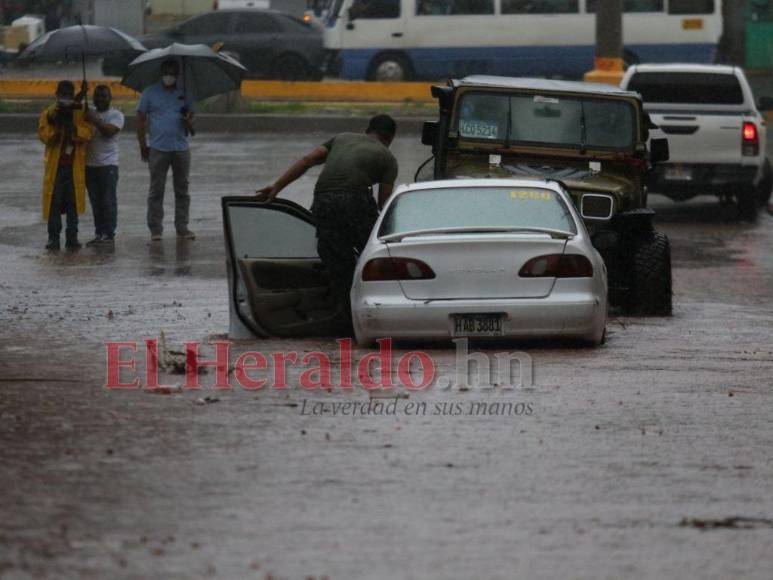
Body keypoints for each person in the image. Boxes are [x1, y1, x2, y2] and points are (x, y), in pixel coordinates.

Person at [255, 114, 398, 312]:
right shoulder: (388, 158)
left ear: (367, 130)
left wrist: (276, 187)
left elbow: (307, 160)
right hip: (355, 199)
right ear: (390, 138)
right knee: (374, 249)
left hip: (323, 200)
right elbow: (384, 204)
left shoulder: (342, 138)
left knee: (337, 258)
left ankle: (341, 307)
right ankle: (374, 303)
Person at [136, 59, 196, 242]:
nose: (169, 76)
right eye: (167, 72)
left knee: (182, 190)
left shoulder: (185, 93)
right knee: (156, 190)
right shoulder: (149, 93)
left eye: (173, 73)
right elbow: (140, 119)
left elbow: (192, 124)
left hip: (181, 148)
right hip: (158, 148)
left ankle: (182, 227)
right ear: (161, 73)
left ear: (178, 74)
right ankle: (155, 229)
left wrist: (188, 120)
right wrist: (142, 145)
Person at [38, 80, 94, 251]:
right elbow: (44, 136)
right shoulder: (49, 113)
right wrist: (57, 127)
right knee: (54, 204)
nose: (65, 97)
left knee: (73, 204)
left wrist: (72, 128)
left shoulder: (81, 111)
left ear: (72, 95)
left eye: (68, 94)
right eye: (62, 94)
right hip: (55, 168)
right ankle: (53, 239)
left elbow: (88, 133)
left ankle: (72, 238)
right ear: (56, 94)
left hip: (74, 167)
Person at [85, 85, 124, 246]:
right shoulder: (89, 112)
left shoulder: (116, 115)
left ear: (110, 98)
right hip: (89, 165)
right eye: (98, 96)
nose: (101, 99)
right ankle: (99, 232)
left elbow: (109, 132)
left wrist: (93, 119)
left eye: (104, 96)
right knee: (95, 202)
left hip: (108, 165)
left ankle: (108, 233)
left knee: (108, 201)